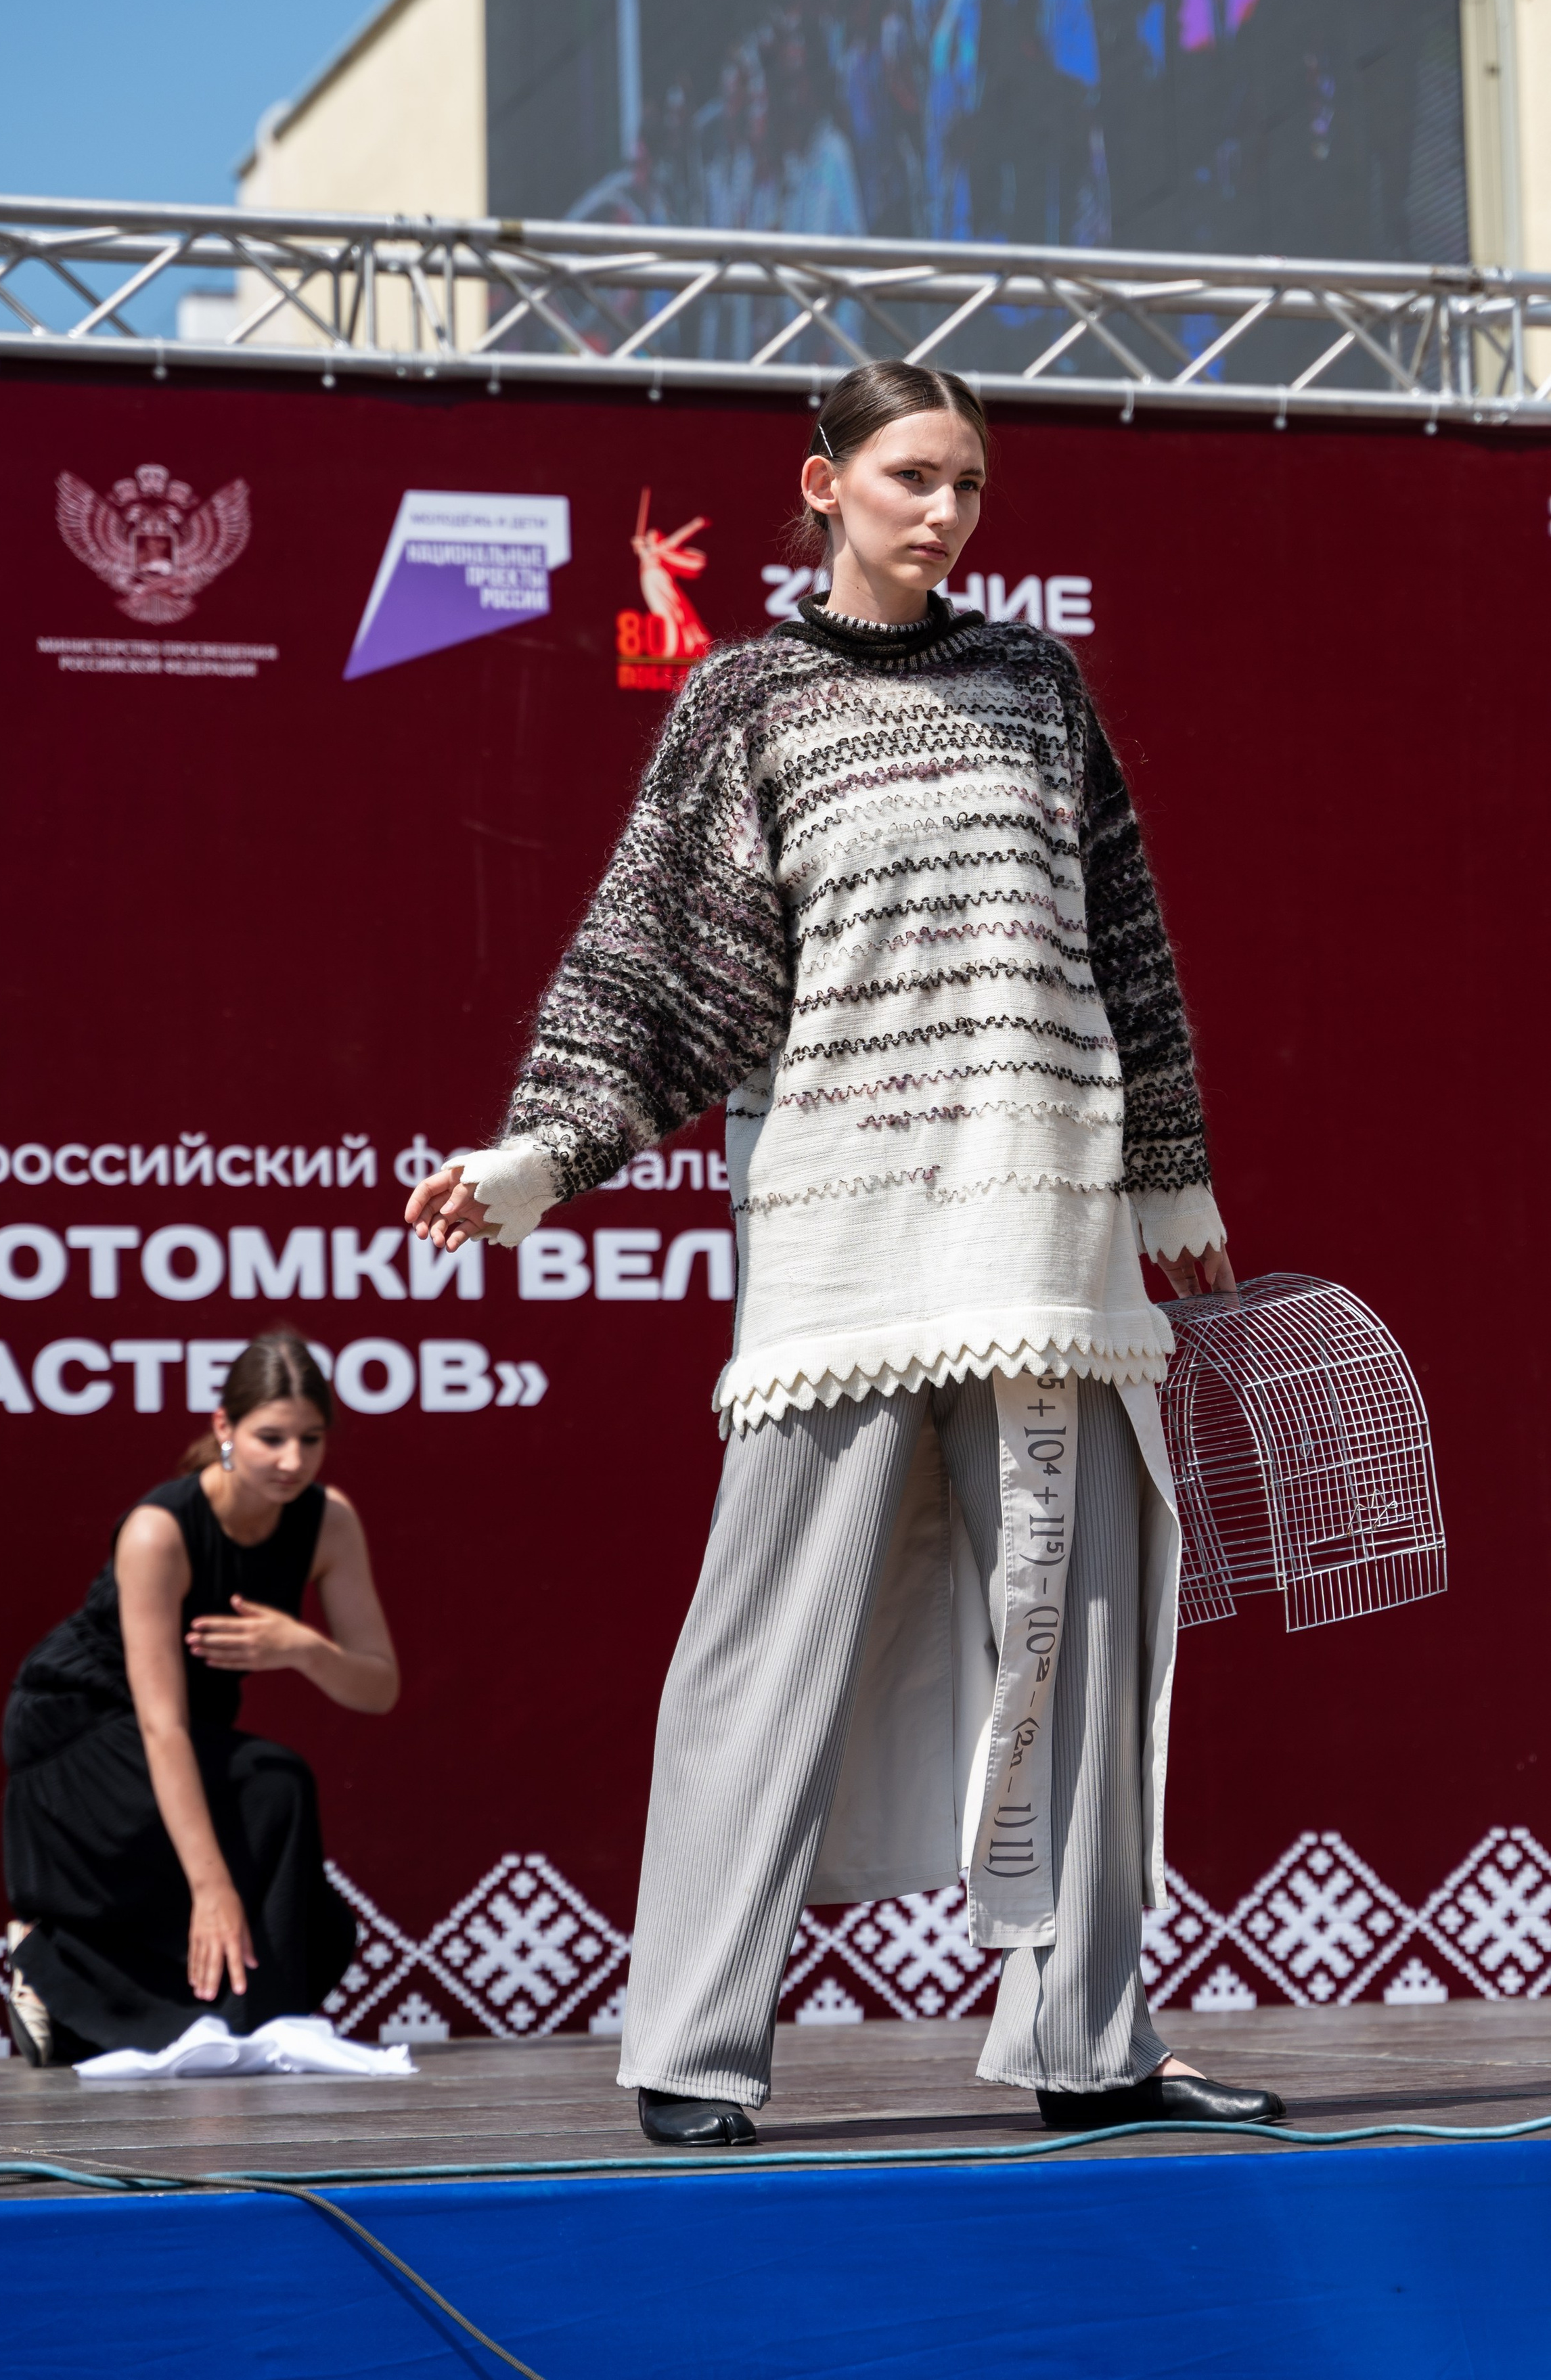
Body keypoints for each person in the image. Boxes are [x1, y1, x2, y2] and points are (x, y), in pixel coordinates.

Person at [407, 357, 1283, 2147]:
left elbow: (1123, 936)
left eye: (968, 481)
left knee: (1081, 1643)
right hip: (851, 1244)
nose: (946, 509)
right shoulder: (748, 696)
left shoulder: (1038, 685)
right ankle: (693, 2047)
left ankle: (1086, 2045)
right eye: (910, 475)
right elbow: (670, 968)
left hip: (1049, 1222)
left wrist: (1171, 1167)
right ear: (821, 484)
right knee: (762, 1642)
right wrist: (545, 1151)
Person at [1, 1329, 397, 2064]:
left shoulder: (328, 1521)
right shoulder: (160, 1530)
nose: (292, 1461)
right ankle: (48, 1957)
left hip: (177, 1725)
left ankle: (261, 2017)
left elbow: (378, 1686)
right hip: (74, 1730)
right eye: (270, 1438)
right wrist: (212, 1888)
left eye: (310, 1440)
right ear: (224, 1428)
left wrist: (303, 1650)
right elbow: (160, 1725)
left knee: (277, 1784)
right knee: (240, 1808)